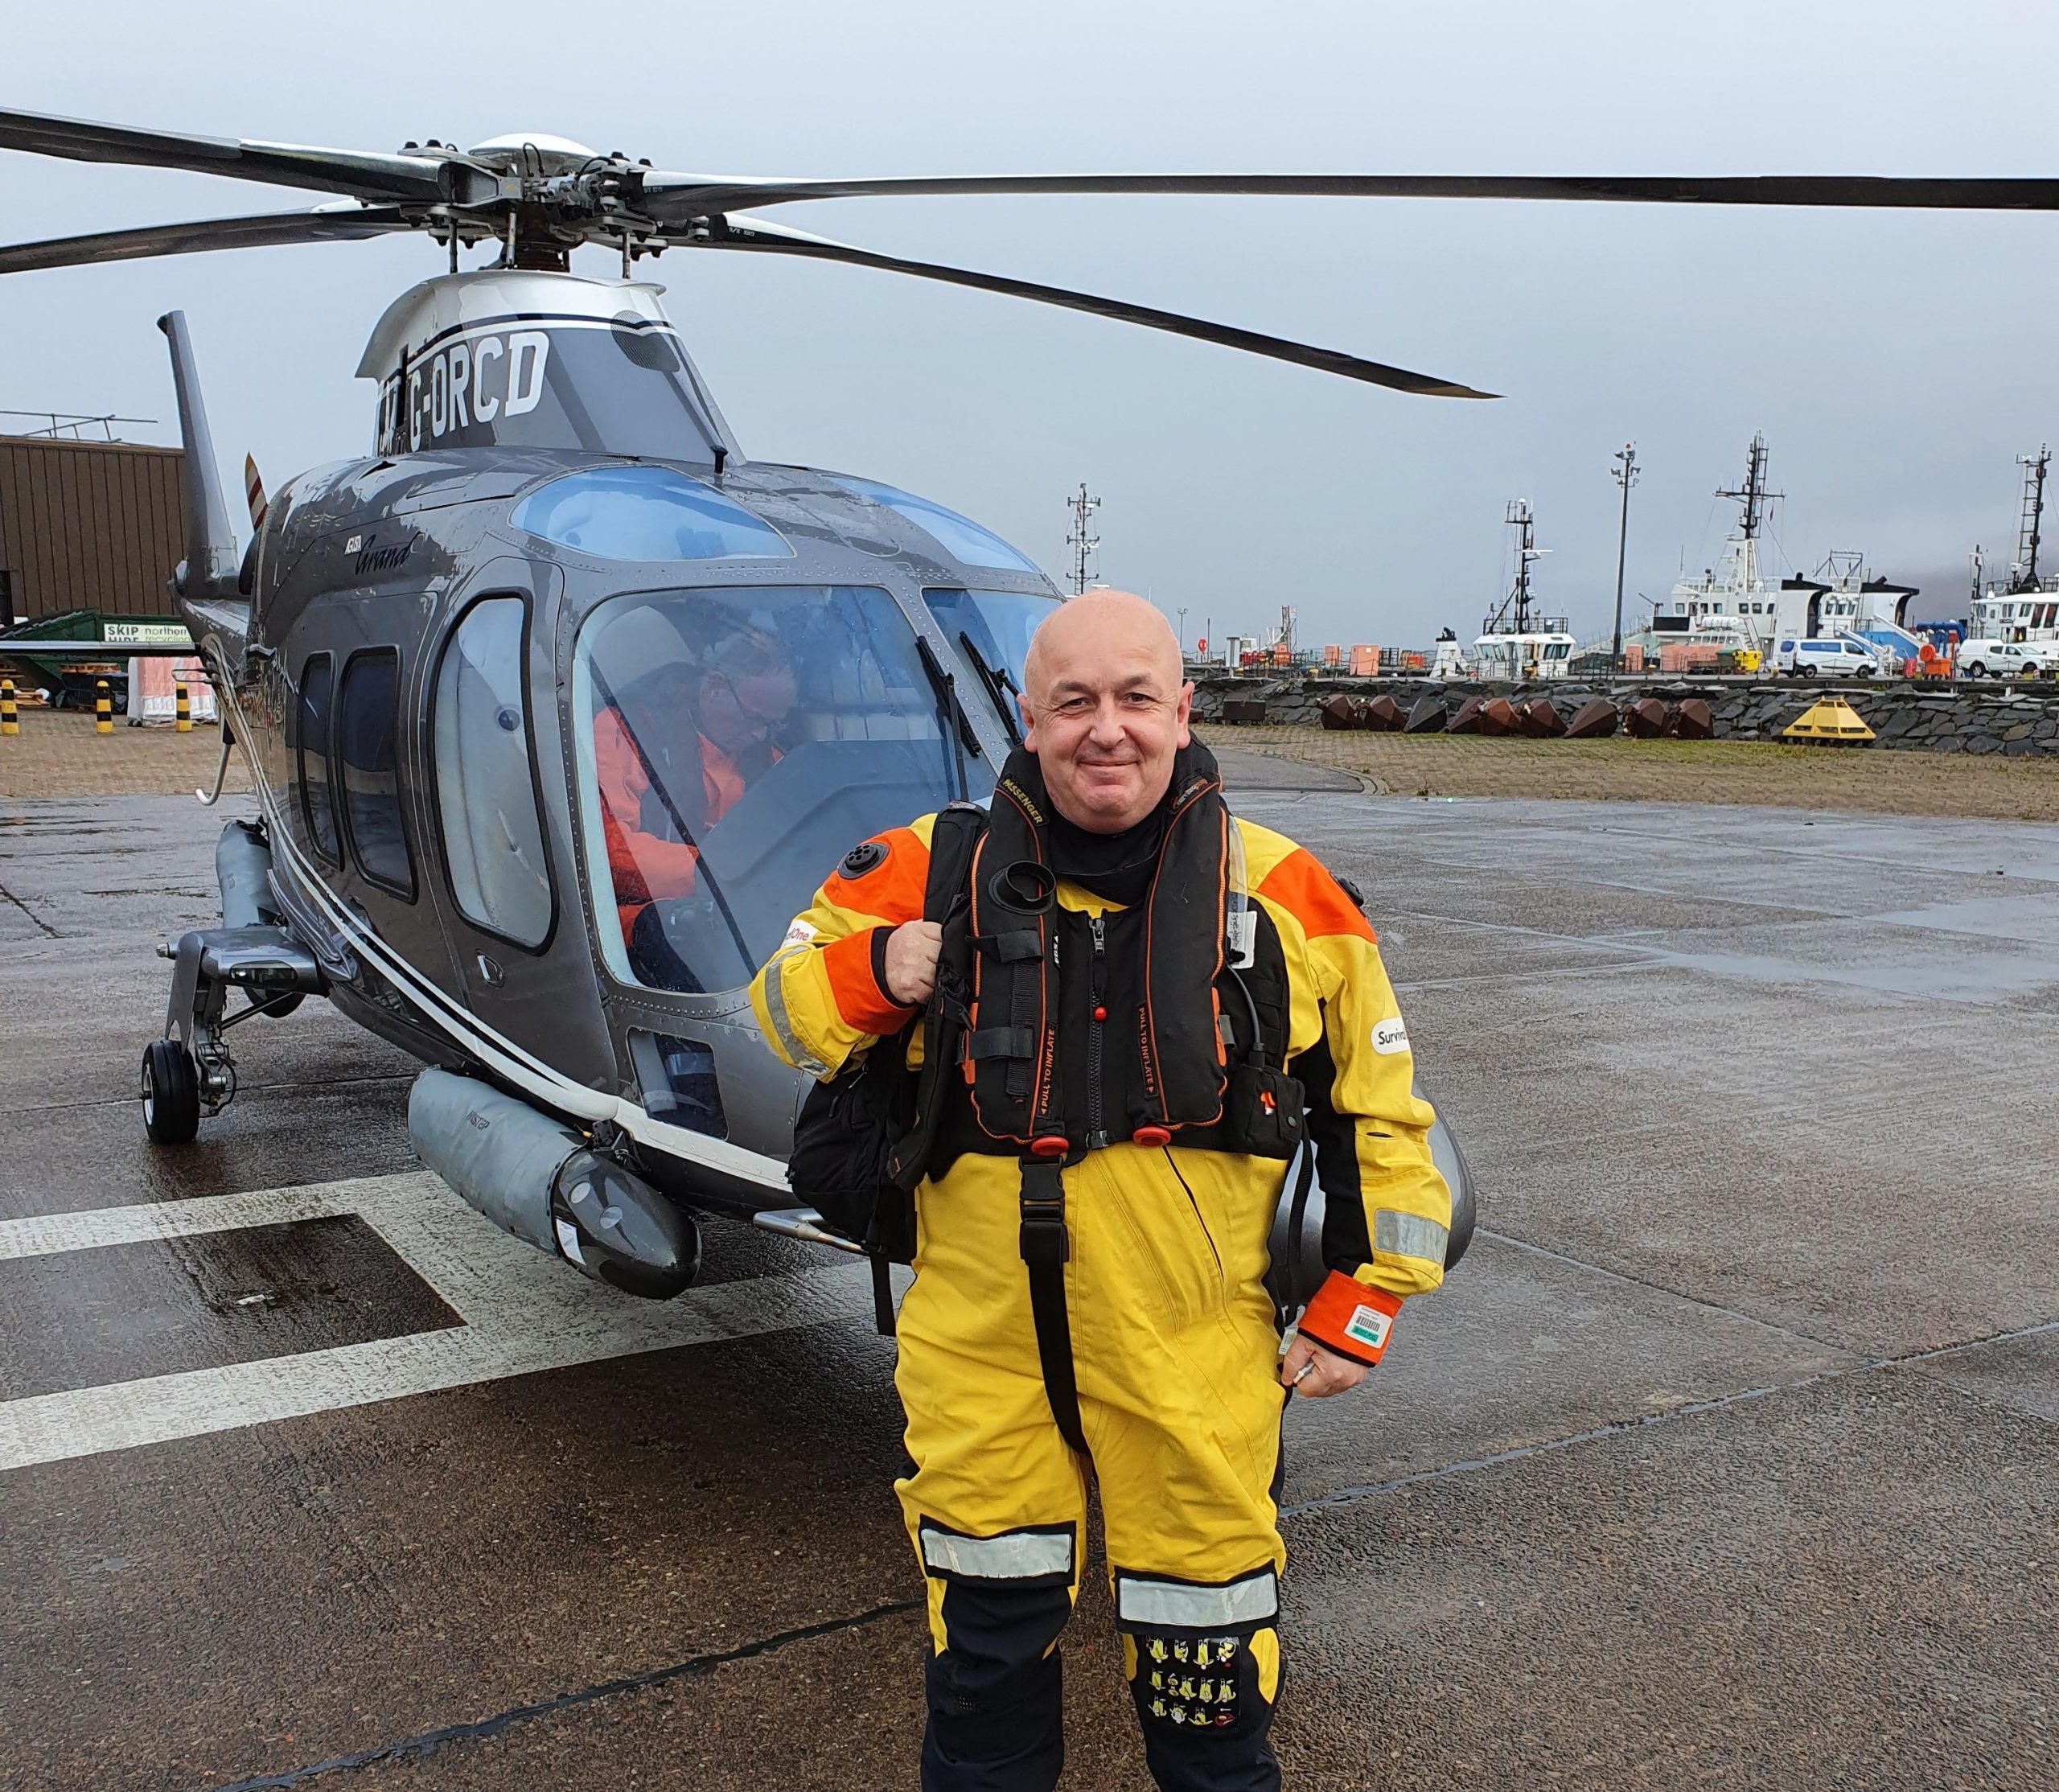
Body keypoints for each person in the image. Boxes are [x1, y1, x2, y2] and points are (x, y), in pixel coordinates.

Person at [750, 591, 1449, 1791]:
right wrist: (878, 969)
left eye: (1135, 699)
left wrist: (1364, 1305)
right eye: (1073, 703)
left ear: (1183, 712)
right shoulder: (920, 868)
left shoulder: (1291, 893)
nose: (1105, 729)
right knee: (983, 1694)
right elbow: (778, 1006)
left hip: (1195, 1363)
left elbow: (1384, 1124)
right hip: (980, 1357)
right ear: (1029, 720)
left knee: (1212, 1701)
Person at [593, 619, 796, 985]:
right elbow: (609, 851)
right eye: (754, 719)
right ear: (715, 687)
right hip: (642, 921)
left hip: (746, 914)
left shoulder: (769, 757)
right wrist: (716, 875)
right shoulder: (627, 728)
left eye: (773, 724)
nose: (760, 735)